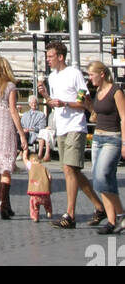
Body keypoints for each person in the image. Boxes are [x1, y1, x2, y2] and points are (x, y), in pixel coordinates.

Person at [40, 40, 104, 229]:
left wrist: (66, 103)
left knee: (69, 168)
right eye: (47, 56)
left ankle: (70, 214)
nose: (47, 59)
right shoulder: (52, 77)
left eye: (50, 56)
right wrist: (46, 96)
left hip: (75, 126)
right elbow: (55, 102)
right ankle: (99, 207)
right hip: (61, 126)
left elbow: (83, 99)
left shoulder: (74, 73)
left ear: (60, 57)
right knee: (73, 170)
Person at [0, 57, 28, 219]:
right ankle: (3, 204)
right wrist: (22, 134)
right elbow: (13, 111)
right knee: (6, 167)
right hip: (5, 127)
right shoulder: (10, 87)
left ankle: (4, 204)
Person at [83, 60, 125, 235]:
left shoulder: (116, 91)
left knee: (101, 178)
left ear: (101, 74)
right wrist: (87, 104)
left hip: (112, 138)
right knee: (106, 180)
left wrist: (124, 142)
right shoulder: (98, 90)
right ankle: (112, 220)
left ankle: (121, 214)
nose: (90, 78)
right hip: (98, 138)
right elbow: (95, 115)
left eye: (92, 75)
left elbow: (123, 117)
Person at [26, 152, 53, 222]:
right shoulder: (44, 168)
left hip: (35, 194)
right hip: (44, 193)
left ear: (31, 160)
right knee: (47, 203)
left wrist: (24, 152)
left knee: (34, 205)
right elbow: (50, 177)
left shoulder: (31, 167)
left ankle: (35, 217)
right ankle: (49, 212)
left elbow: (25, 160)